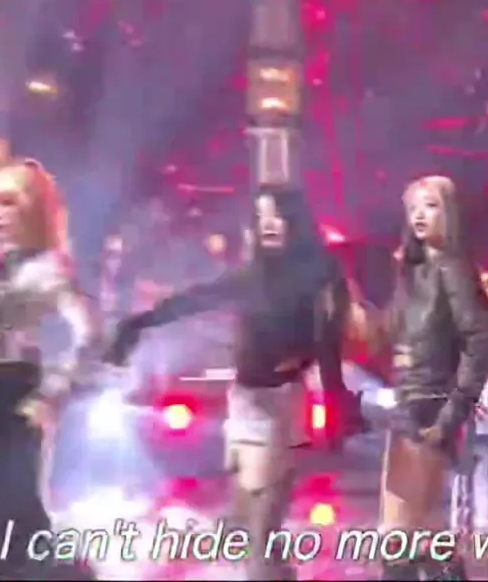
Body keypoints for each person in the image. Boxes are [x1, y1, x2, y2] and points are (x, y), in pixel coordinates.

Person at [107, 186, 362, 580]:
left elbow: (328, 339)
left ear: (294, 219)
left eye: (276, 215)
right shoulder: (251, 275)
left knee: (259, 529)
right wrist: (139, 324)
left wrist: (334, 401)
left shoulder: (318, 273)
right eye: (261, 217)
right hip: (243, 401)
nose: (269, 224)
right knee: (247, 524)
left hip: (279, 403)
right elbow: (196, 299)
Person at [0, 158, 100, 580]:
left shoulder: (48, 267)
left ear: (32, 206)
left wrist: (51, 394)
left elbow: (90, 336)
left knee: (3, 517)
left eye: (7, 202)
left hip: (9, 397)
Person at [378, 175, 488, 582]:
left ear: (448, 212)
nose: (419, 214)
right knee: (419, 529)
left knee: (399, 533)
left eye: (430, 205)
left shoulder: (453, 268)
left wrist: (454, 410)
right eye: (413, 207)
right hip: (409, 401)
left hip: (431, 403)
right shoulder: (415, 271)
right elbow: (394, 335)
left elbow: (481, 340)